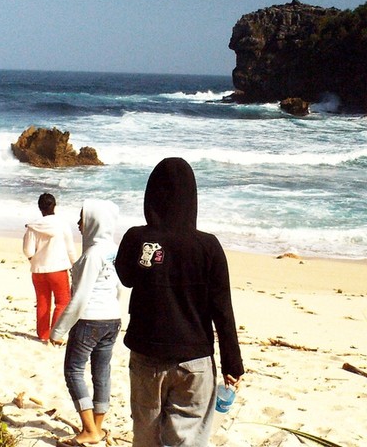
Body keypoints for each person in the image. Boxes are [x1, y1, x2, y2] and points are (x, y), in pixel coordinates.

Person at [115, 157, 245, 447]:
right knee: (187, 440)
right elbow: (222, 309)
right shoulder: (208, 246)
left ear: (151, 196)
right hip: (194, 359)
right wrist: (232, 364)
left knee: (146, 437)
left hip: (146, 355)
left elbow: (126, 277)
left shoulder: (137, 238)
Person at [51, 199, 122, 446]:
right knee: (101, 372)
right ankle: (96, 428)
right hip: (112, 319)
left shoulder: (92, 254)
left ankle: (90, 430)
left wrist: (58, 330)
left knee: (73, 371)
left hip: (90, 320)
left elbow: (80, 297)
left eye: (83, 218)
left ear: (95, 222)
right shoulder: (113, 250)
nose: (79, 224)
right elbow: (119, 288)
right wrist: (116, 311)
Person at [23, 192, 77, 342]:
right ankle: (55, 334)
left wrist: (34, 260)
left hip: (38, 270)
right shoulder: (62, 224)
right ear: (54, 206)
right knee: (62, 302)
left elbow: (28, 250)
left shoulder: (33, 227)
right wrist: (75, 266)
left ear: (40, 208)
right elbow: (70, 249)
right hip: (58, 269)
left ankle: (43, 335)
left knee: (43, 302)